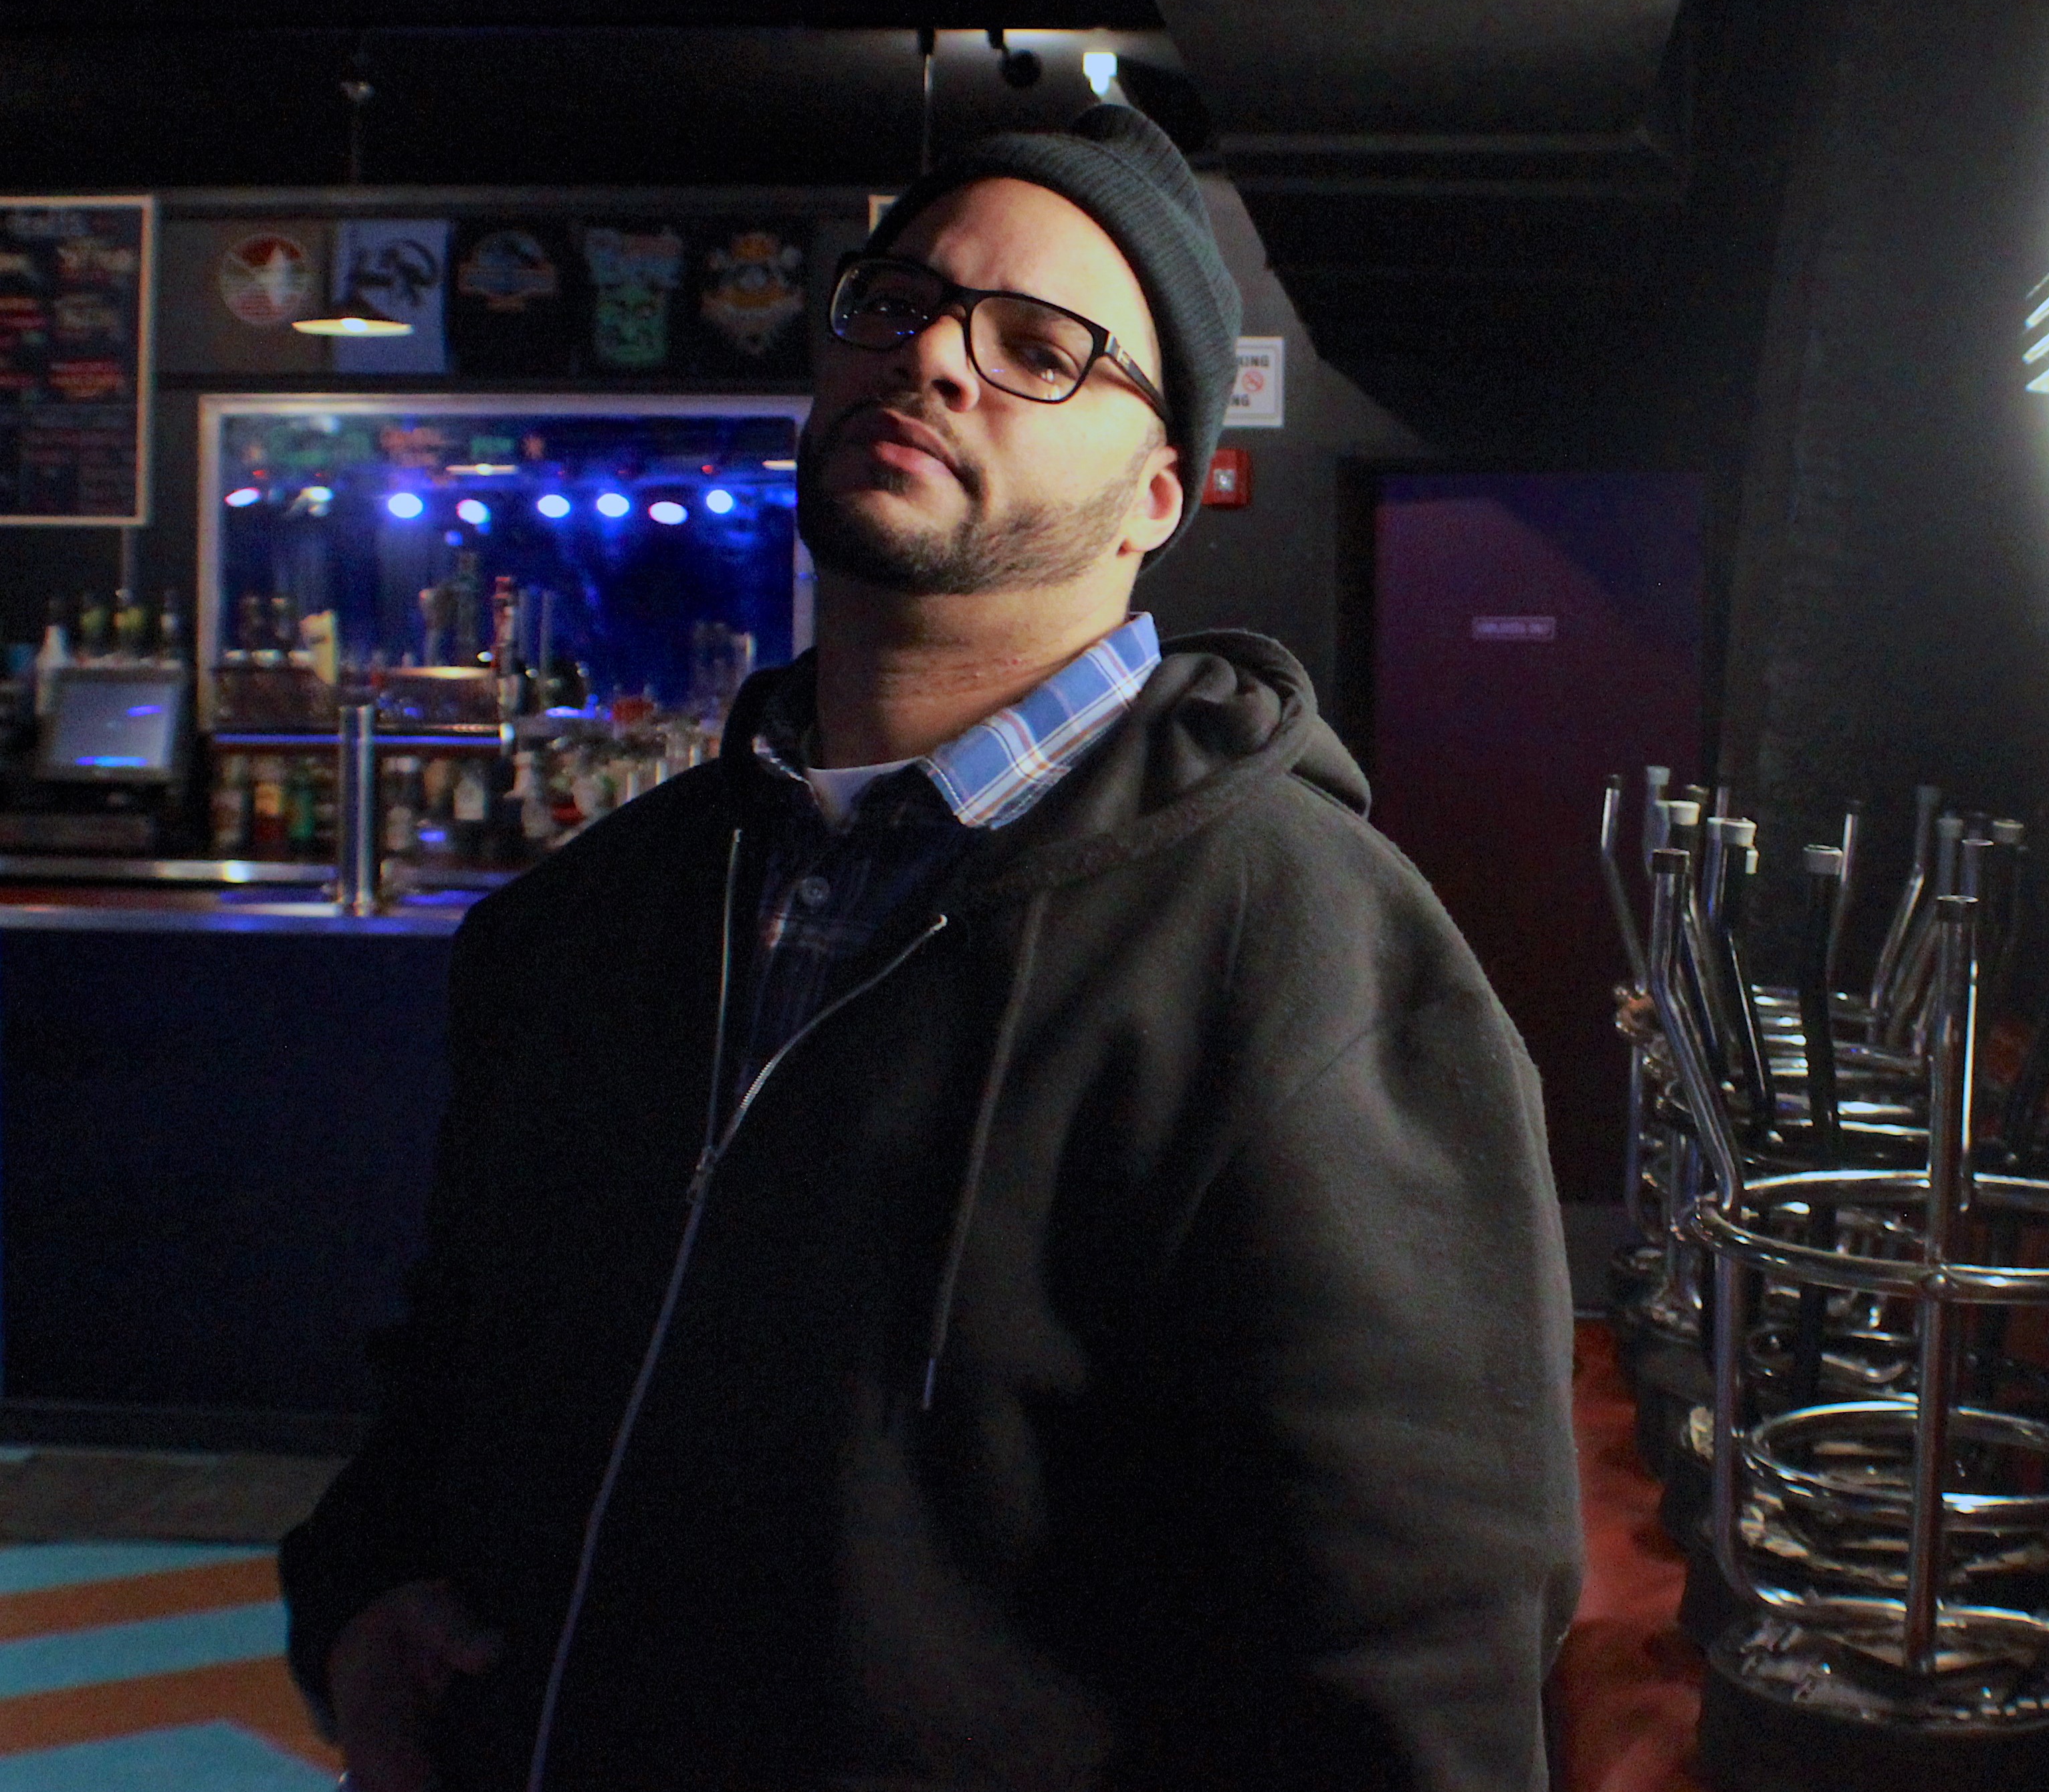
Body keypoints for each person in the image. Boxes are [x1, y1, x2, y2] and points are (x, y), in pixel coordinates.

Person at [280, 102, 1582, 1792]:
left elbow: (1413, 1674)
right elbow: (451, 1373)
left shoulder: (1306, 959)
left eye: (1040, 348)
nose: (936, 359)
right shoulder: (588, 920)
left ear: (1159, 496)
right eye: (898, 305)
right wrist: (363, 1590)